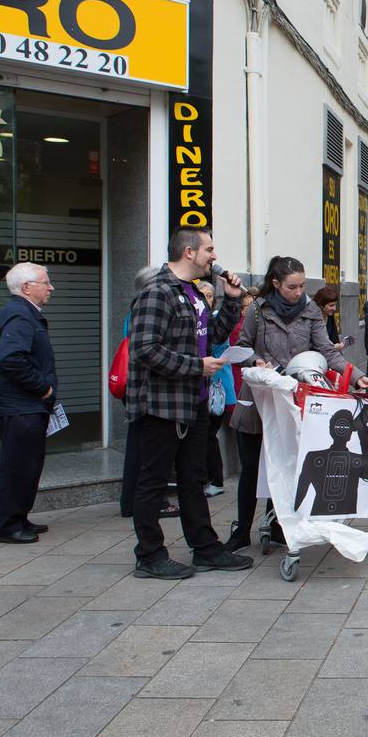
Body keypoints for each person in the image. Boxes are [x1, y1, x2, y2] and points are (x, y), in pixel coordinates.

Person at [126, 228, 253, 579]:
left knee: (192, 479)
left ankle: (206, 549)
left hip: (192, 403)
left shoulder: (192, 294)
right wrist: (197, 366)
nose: (214, 256)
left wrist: (229, 299)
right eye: (209, 249)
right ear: (188, 251)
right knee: (152, 481)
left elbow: (211, 336)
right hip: (161, 406)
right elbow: (144, 349)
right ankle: (149, 555)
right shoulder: (156, 292)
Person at [228, 256, 368, 551]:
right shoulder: (258, 309)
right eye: (292, 286)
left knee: (287, 463)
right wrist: (256, 360)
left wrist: (357, 377)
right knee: (252, 467)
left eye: (303, 285)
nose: (299, 292)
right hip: (257, 399)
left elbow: (327, 353)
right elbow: (241, 346)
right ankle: (241, 531)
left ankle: (281, 527)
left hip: (294, 400)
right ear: (276, 284)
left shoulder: (310, 311)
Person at [0, 262, 57, 544]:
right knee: (18, 466)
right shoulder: (20, 315)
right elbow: (11, 359)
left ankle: (19, 517)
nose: (51, 287)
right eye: (45, 282)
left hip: (24, 405)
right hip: (20, 406)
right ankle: (6, 526)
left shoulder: (25, 313)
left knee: (28, 464)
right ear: (27, 287)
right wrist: (42, 388)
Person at [119, 265, 178, 520]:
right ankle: (144, 504)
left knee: (138, 450)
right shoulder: (147, 309)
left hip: (138, 388)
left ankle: (130, 501)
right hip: (147, 388)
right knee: (146, 457)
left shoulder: (134, 311)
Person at [196, 281, 234, 498]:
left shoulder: (215, 321)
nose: (206, 299)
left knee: (209, 435)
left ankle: (216, 480)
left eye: (210, 295)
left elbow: (218, 344)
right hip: (202, 387)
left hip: (216, 388)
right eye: (202, 294)